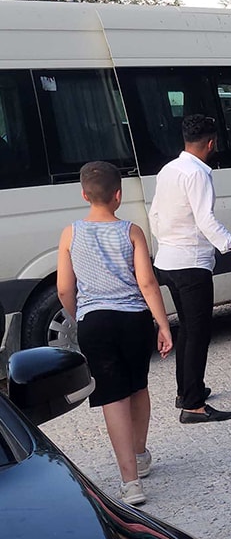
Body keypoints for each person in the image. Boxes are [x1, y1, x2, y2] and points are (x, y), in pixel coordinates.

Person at [56, 161, 173, 505]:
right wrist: (163, 324)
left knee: (112, 396)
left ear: (84, 195)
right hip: (133, 320)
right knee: (138, 386)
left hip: (95, 321)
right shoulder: (131, 232)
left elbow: (64, 288)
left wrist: (80, 314)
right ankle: (140, 453)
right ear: (118, 195)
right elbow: (147, 282)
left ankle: (130, 482)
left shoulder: (70, 233)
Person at [149, 114, 231, 423]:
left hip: (168, 260)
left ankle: (187, 390)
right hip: (191, 264)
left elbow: (155, 215)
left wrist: (168, 242)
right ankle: (193, 406)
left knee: (188, 329)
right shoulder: (198, 174)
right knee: (198, 333)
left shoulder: (168, 169)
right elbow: (206, 220)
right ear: (212, 143)